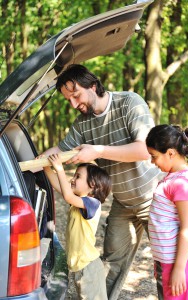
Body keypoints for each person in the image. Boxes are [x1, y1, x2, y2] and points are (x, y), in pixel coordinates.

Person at [42, 64, 162, 299]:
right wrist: (36, 160)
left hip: (154, 198)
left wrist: (97, 151)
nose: (74, 104)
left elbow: (144, 150)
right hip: (123, 202)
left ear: (93, 85)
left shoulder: (129, 103)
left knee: (165, 264)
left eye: (76, 95)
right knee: (111, 261)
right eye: (69, 100)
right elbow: (59, 151)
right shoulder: (82, 124)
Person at [43, 155, 111, 300]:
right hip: (81, 267)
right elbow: (61, 187)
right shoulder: (78, 203)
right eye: (74, 175)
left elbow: (67, 195)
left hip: (89, 267)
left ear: (92, 184)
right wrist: (45, 167)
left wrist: (60, 169)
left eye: (78, 176)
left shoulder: (93, 203)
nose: (73, 179)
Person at [146, 124, 188, 300]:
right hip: (168, 261)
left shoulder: (180, 184)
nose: (152, 162)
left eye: (154, 157)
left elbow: (187, 228)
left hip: (177, 264)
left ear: (170, 153)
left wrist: (178, 269)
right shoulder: (175, 179)